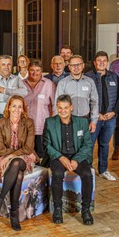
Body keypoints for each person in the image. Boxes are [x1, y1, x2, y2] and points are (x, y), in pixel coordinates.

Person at [44, 94, 95, 226]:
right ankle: (58, 209)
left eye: (66, 107)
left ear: (71, 107)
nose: (63, 111)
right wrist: (61, 157)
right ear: (56, 107)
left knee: (87, 174)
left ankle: (85, 210)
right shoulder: (50, 122)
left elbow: (87, 145)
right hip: (58, 155)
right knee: (57, 174)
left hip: (77, 155)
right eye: (60, 108)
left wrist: (76, 159)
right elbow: (47, 145)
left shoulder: (82, 122)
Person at [0, 95, 37, 231]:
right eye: (14, 106)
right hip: (4, 156)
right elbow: (0, 148)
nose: (17, 109)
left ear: (23, 109)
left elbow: (28, 148)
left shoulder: (29, 122)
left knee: (16, 163)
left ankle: (0, 199)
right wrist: (10, 155)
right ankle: (14, 214)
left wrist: (11, 155)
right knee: (19, 176)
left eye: (20, 107)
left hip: (26, 157)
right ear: (9, 107)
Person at [85, 51, 119, 181]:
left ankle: (103, 170)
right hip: (94, 119)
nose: (101, 63)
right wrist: (95, 115)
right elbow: (85, 99)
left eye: (104, 61)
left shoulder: (114, 77)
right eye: (99, 61)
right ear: (94, 63)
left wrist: (114, 112)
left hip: (110, 118)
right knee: (89, 145)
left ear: (107, 62)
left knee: (105, 145)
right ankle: (88, 169)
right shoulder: (87, 77)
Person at [0, 55, 29, 165]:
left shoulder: (17, 79)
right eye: (3, 64)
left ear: (12, 66)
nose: (6, 67)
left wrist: (6, 91)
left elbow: (24, 92)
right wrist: (14, 97)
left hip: (14, 118)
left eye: (9, 64)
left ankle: (10, 170)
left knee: (14, 147)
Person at [56, 55, 99, 133]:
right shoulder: (62, 83)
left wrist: (94, 121)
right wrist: (58, 122)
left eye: (78, 64)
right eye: (73, 65)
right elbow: (57, 104)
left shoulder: (90, 82)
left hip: (85, 120)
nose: (76, 67)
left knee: (85, 141)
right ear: (69, 67)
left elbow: (94, 102)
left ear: (83, 65)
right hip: (67, 120)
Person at [23, 59, 55, 158]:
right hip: (25, 127)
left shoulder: (49, 84)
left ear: (41, 71)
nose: (35, 73)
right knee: (27, 154)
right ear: (28, 70)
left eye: (37, 70)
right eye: (32, 70)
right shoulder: (21, 84)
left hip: (42, 127)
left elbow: (55, 105)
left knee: (42, 154)